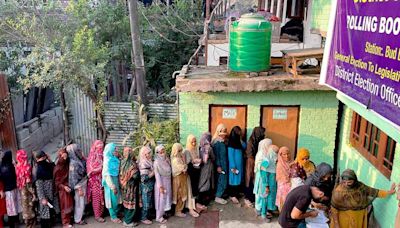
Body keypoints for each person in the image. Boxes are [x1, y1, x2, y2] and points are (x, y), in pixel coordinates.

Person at [330, 169, 396, 228]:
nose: (346, 184)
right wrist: (337, 225)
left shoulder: (360, 187)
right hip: (344, 220)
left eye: (349, 182)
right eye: (344, 182)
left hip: (359, 218)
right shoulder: (338, 192)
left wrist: (388, 192)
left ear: (354, 180)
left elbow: (373, 191)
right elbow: (334, 209)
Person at [254, 140, 278, 222]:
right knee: (263, 196)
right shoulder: (266, 159)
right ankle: (263, 213)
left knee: (267, 197)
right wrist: (266, 185)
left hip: (269, 182)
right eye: (275, 152)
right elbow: (262, 170)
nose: (276, 154)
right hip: (264, 181)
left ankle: (265, 210)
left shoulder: (272, 160)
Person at [184, 135, 205, 216]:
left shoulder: (195, 149)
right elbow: (187, 164)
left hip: (196, 172)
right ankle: (190, 208)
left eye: (195, 141)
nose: (193, 143)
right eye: (191, 142)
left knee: (195, 190)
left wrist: (198, 161)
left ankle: (195, 205)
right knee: (191, 192)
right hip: (190, 175)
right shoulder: (186, 151)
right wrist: (194, 161)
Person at [66, 144, 87, 225]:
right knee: (79, 203)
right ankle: (77, 219)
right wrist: (79, 188)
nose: (80, 152)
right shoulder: (73, 164)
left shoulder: (78, 160)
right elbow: (73, 178)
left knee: (82, 202)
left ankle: (80, 216)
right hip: (79, 187)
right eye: (78, 150)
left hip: (82, 183)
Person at [245, 126, 265, 208]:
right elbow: (250, 154)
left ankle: (252, 197)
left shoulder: (259, 141)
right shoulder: (251, 142)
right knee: (249, 179)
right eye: (262, 133)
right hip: (251, 162)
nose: (264, 134)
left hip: (256, 162)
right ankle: (247, 198)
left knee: (255, 180)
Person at [119, 147, 140, 227]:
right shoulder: (132, 163)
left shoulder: (122, 162)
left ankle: (126, 219)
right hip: (131, 187)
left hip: (124, 186)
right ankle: (128, 222)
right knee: (131, 204)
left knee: (125, 203)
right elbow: (135, 176)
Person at [35, 151, 56, 228]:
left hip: (50, 192)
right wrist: (42, 198)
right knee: (44, 214)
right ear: (38, 159)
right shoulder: (38, 169)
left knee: (49, 212)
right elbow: (39, 185)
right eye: (42, 157)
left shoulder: (46, 165)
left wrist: (49, 159)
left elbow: (54, 167)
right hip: (44, 194)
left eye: (44, 157)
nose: (44, 159)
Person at [15, 149, 36, 227]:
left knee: (25, 208)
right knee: (30, 207)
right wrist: (33, 193)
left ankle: (28, 224)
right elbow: (28, 182)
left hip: (21, 190)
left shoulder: (17, 167)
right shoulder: (27, 167)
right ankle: (31, 225)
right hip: (27, 190)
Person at [102, 143, 122, 224]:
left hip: (116, 179)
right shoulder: (107, 160)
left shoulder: (114, 158)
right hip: (110, 181)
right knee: (111, 199)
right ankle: (113, 216)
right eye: (114, 149)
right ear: (110, 150)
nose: (116, 150)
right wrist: (112, 186)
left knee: (117, 199)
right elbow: (106, 174)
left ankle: (116, 213)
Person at [54, 148, 74, 228]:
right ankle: (65, 223)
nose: (65, 158)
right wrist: (64, 187)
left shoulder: (66, 164)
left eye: (66, 156)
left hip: (67, 186)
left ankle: (68, 221)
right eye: (63, 157)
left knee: (69, 204)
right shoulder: (58, 167)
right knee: (64, 206)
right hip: (62, 189)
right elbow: (57, 182)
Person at [1, 150, 21, 228]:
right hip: (11, 190)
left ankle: (13, 223)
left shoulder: (2, 165)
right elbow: (15, 176)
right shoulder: (10, 167)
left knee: (11, 208)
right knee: (13, 208)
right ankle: (13, 224)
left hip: (8, 189)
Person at [86, 140, 105, 223]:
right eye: (99, 147)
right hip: (94, 181)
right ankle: (97, 216)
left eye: (102, 147)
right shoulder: (92, 156)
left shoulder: (102, 155)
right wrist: (101, 167)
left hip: (102, 180)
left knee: (102, 197)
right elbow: (90, 170)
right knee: (96, 198)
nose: (101, 149)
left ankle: (101, 213)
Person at [153, 145, 172, 224]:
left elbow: (169, 170)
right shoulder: (156, 162)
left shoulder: (166, 159)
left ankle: (163, 214)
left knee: (166, 198)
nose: (162, 153)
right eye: (160, 152)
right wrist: (160, 186)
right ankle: (159, 217)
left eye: (163, 151)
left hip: (168, 181)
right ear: (157, 153)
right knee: (161, 200)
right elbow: (157, 175)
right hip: (161, 183)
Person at [227, 126, 245, 205]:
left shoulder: (239, 142)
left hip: (239, 164)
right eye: (238, 134)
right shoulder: (231, 143)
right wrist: (233, 167)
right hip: (234, 166)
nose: (240, 135)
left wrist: (241, 140)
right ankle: (232, 195)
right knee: (233, 180)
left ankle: (236, 194)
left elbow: (244, 147)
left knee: (238, 179)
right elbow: (230, 156)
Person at [212, 123, 229, 205]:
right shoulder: (217, 143)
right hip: (220, 165)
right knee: (221, 180)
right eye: (223, 134)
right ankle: (218, 196)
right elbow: (216, 155)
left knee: (223, 179)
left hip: (224, 164)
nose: (224, 136)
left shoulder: (222, 142)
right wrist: (218, 166)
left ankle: (221, 194)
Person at [139, 146, 155, 225]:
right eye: (147, 153)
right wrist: (153, 172)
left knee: (149, 201)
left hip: (150, 185)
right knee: (146, 202)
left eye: (149, 153)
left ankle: (148, 215)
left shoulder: (148, 161)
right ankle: (143, 218)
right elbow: (144, 178)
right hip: (146, 186)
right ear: (144, 154)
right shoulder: (143, 163)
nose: (149, 155)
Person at [171, 143, 188, 218]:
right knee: (179, 194)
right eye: (179, 151)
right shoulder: (175, 160)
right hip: (178, 178)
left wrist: (184, 166)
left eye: (181, 150)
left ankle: (180, 209)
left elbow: (185, 167)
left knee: (182, 193)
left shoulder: (179, 158)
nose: (180, 152)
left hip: (182, 178)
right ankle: (178, 211)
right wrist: (184, 166)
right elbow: (182, 168)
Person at [198, 132, 215, 206]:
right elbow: (213, 158)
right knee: (207, 182)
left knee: (202, 181)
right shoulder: (209, 148)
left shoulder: (199, 148)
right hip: (208, 168)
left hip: (201, 168)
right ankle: (205, 201)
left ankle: (201, 200)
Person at [275, 146, 292, 212]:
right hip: (283, 186)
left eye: (288, 154)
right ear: (281, 155)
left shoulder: (291, 162)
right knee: (283, 201)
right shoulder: (280, 164)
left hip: (290, 185)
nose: (287, 156)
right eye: (284, 154)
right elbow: (282, 178)